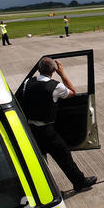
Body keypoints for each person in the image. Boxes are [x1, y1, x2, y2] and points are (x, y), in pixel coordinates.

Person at [22, 57, 97, 192]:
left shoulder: (28, 82)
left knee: (37, 162)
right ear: (53, 71)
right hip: (47, 132)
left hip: (31, 130)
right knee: (64, 158)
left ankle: (41, 190)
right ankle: (79, 182)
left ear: (38, 70)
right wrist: (62, 74)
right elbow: (73, 92)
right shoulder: (55, 86)